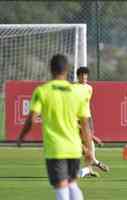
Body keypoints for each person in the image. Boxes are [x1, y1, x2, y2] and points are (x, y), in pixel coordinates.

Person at [16, 54, 93, 200]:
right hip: (74, 148)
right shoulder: (78, 92)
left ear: (51, 69)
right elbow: (85, 125)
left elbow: (31, 119)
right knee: (72, 184)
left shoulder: (43, 91)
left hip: (56, 148)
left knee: (61, 187)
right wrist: (88, 149)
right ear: (67, 70)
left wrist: (21, 137)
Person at [75, 67, 109, 178]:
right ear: (78, 76)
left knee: (89, 145)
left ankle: (89, 168)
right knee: (83, 145)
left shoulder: (89, 88)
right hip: (78, 118)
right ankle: (93, 163)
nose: (84, 78)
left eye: (86, 76)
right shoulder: (73, 88)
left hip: (88, 118)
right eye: (82, 76)